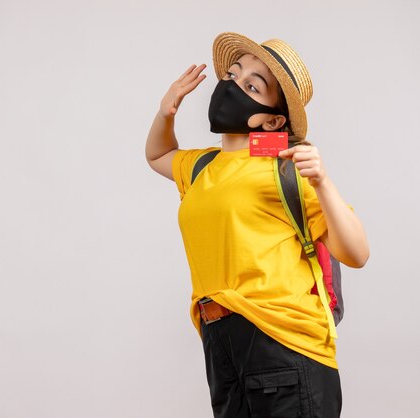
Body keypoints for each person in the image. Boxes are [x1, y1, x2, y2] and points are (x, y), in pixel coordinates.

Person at [145, 32, 369, 418]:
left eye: (252, 85)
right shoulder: (202, 166)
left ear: (274, 120)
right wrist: (166, 111)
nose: (232, 85)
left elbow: (357, 254)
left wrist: (323, 183)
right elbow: (159, 154)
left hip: (284, 343)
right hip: (221, 342)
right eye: (233, 75)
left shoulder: (287, 167)